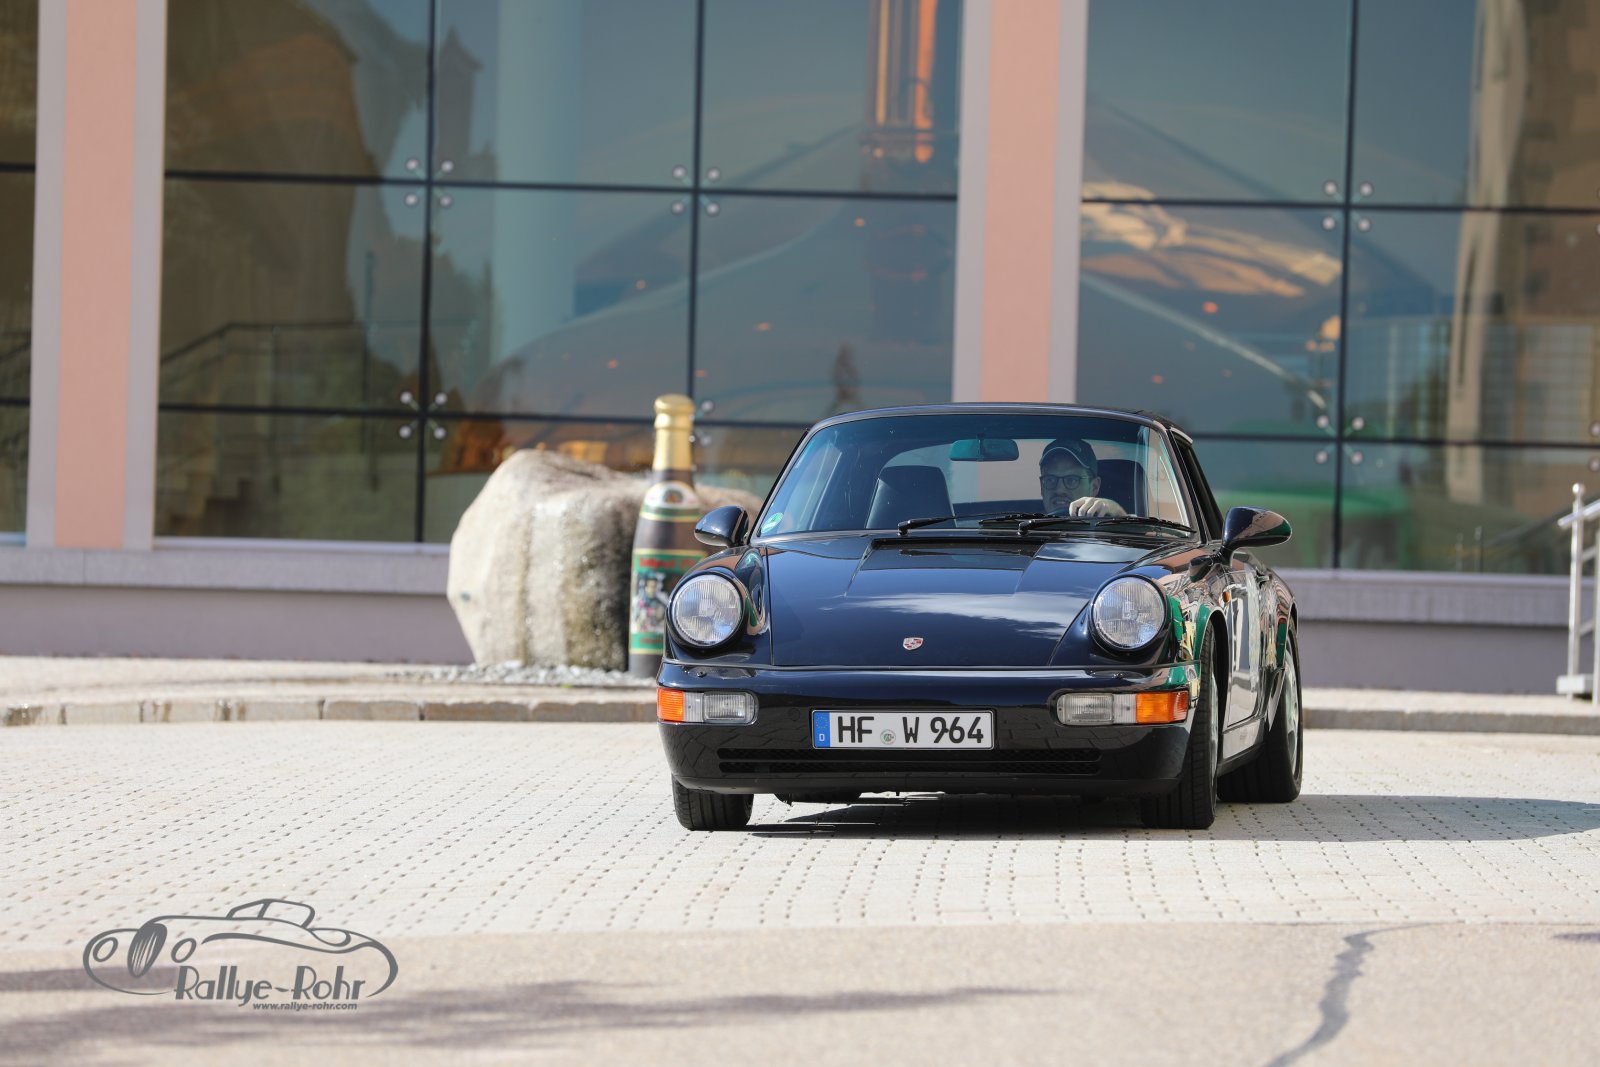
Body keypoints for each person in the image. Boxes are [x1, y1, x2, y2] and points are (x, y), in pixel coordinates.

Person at [1039, 437, 1127, 517]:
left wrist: (1118, 513)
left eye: (1071, 480)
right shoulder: (1031, 525)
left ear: (1094, 487)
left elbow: (1133, 528)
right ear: (1042, 487)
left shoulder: (1109, 528)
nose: (1059, 490)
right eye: (1050, 480)